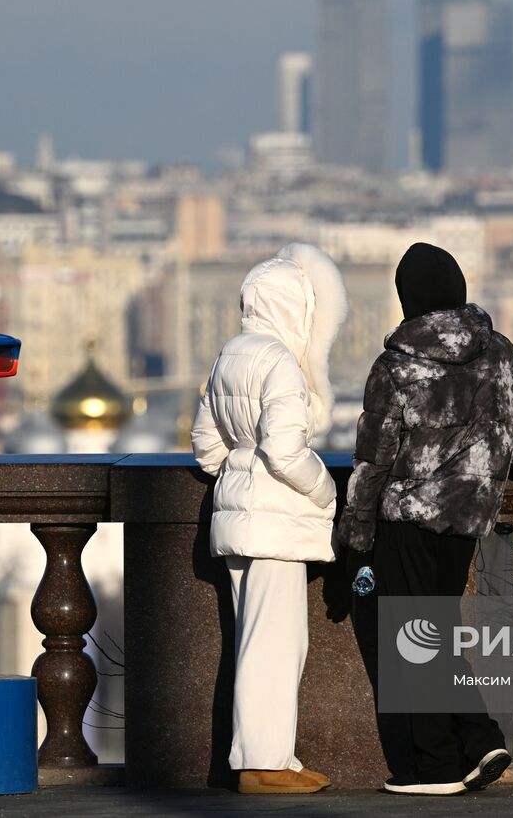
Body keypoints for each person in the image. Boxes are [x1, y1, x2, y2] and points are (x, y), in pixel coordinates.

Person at [338, 242, 513, 796]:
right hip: (468, 520)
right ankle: (476, 741)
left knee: (416, 642)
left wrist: (355, 539)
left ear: (408, 299)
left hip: (405, 520)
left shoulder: (396, 364)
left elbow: (373, 460)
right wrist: (489, 469)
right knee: (439, 630)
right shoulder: (499, 352)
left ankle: (437, 768)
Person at [191, 242, 348, 795]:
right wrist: (326, 491)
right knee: (275, 647)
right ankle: (263, 765)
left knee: (260, 642)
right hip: (276, 525)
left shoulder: (231, 353)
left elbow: (206, 447)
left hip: (237, 521)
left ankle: (274, 756)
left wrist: (237, 472)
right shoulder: (280, 361)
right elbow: (285, 453)